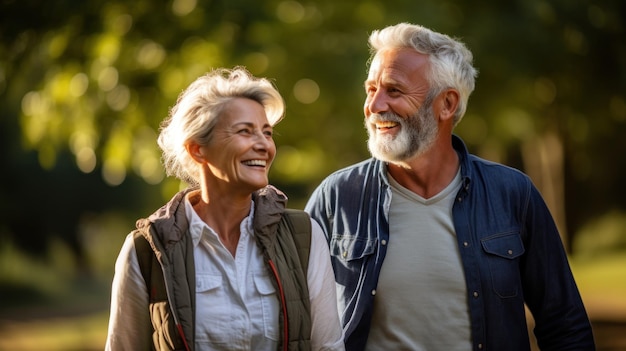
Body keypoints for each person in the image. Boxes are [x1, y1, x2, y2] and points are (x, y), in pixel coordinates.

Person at [305, 23, 595, 351]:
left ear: (447, 104)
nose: (374, 106)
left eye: (394, 90)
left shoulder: (513, 194)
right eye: (371, 89)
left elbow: (565, 324)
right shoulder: (336, 197)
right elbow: (295, 318)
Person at [105, 67, 345, 351]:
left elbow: (327, 347)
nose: (263, 145)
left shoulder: (303, 235)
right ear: (198, 149)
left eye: (267, 133)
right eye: (245, 131)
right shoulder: (147, 251)